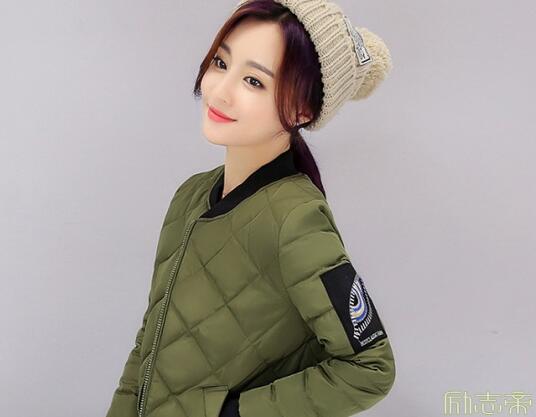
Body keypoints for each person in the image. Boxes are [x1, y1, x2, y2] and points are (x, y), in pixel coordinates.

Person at [105, 1, 395, 417]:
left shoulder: (296, 220)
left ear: (303, 110)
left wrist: (233, 413)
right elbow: (149, 343)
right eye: (221, 63)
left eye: (254, 81)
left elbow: (370, 368)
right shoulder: (190, 195)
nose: (221, 90)